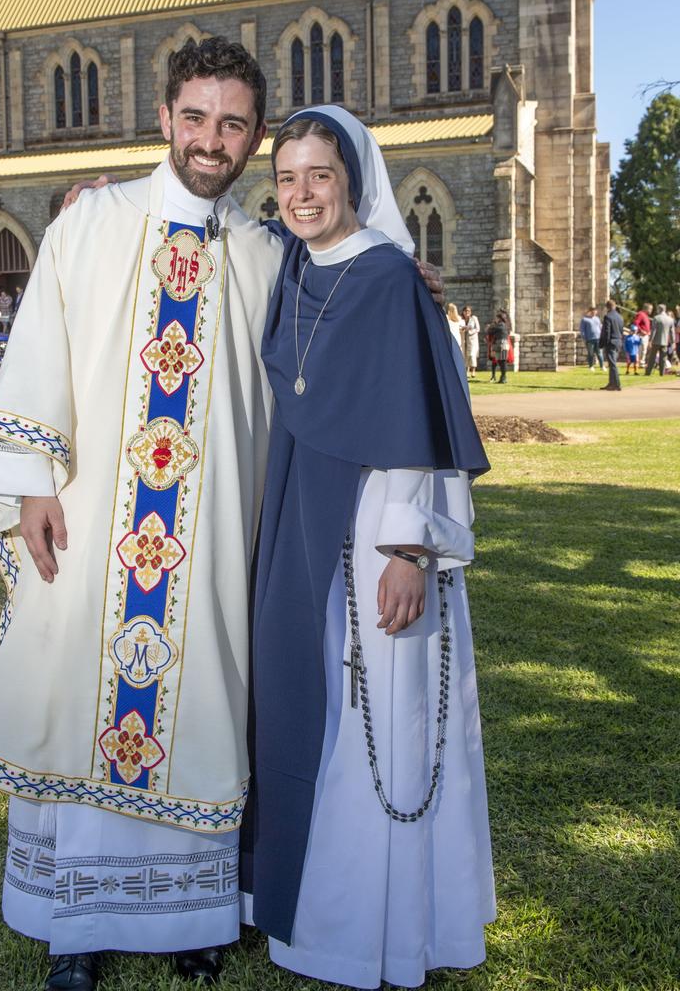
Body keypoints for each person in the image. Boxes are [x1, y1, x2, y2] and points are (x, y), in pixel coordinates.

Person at [0, 38, 444, 991]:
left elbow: (344, 319)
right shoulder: (91, 224)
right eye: (195, 118)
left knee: (208, 707)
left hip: (217, 539)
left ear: (253, 136)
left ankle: (195, 915)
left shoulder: (269, 253)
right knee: (79, 704)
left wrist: (405, 290)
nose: (210, 139)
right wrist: (28, 482)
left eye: (231, 124)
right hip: (99, 526)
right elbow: (40, 350)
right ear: (165, 117)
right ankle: (78, 930)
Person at [242, 108, 495, 990]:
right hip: (297, 513)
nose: (304, 195)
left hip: (374, 525)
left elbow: (420, 424)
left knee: (372, 711)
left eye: (321, 176)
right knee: (294, 702)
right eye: (288, 179)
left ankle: (364, 929)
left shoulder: (389, 279)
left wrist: (408, 552)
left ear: (353, 179)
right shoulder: (289, 266)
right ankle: (296, 912)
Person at [599, 298, 625, 390]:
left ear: (607, 307)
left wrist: (603, 343)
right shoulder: (620, 317)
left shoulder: (608, 317)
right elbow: (621, 330)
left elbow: (606, 332)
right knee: (612, 363)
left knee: (612, 363)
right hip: (618, 341)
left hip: (611, 342)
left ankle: (616, 384)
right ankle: (611, 383)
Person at [644, 303, 674, 376]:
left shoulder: (656, 318)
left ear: (659, 309)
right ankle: (662, 373)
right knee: (663, 358)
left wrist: (650, 340)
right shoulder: (670, 319)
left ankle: (648, 372)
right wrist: (673, 342)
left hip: (656, 341)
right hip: (665, 342)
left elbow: (653, 330)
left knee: (652, 357)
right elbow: (672, 332)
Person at [486, 310, 511, 383]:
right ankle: (503, 377)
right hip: (502, 344)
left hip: (501, 344)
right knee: (501, 361)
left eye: (496, 318)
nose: (495, 319)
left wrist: (490, 326)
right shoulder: (504, 325)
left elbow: (489, 331)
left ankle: (503, 378)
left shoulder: (500, 325)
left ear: (499, 318)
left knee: (502, 361)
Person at [579, 307, 604, 371]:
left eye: (595, 312)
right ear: (589, 311)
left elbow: (600, 327)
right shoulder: (584, 319)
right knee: (591, 353)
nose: (594, 313)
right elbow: (582, 330)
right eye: (592, 312)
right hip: (590, 339)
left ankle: (602, 366)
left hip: (598, 338)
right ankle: (591, 366)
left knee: (599, 353)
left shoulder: (597, 319)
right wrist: (585, 338)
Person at [461, 304, 480, 379]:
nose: (467, 312)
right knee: (465, 355)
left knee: (472, 355)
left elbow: (478, 329)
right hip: (463, 339)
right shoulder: (461, 319)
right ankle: (466, 371)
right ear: (463, 312)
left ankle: (473, 370)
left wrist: (470, 331)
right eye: (465, 311)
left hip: (472, 339)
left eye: (468, 311)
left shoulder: (474, 318)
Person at [633, 302, 652, 368]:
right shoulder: (641, 314)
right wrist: (641, 330)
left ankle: (642, 363)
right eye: (650, 309)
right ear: (646, 309)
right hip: (641, 335)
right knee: (640, 350)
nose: (651, 311)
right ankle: (639, 363)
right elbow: (636, 323)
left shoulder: (646, 316)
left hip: (646, 335)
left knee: (644, 350)